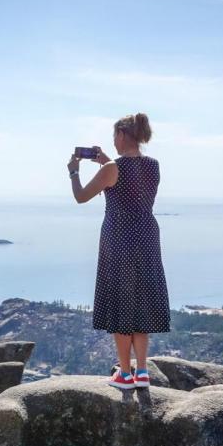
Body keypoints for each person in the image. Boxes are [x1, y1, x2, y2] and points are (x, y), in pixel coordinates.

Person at [67, 112, 171, 390]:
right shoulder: (154, 165)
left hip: (120, 239)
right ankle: (142, 371)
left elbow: (81, 196)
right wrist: (106, 163)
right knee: (142, 301)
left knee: (121, 303)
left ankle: (125, 374)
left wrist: (74, 171)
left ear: (123, 135)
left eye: (115, 135)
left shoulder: (112, 168)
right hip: (147, 237)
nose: (113, 141)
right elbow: (131, 183)